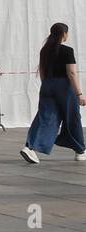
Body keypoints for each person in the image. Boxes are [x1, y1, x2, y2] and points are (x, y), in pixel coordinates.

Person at [21, 23, 86, 164]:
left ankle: (30, 147)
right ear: (64, 34)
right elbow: (71, 73)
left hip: (47, 85)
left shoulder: (44, 50)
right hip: (64, 87)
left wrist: (47, 85)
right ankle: (80, 150)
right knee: (72, 117)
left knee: (45, 117)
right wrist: (79, 94)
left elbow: (42, 70)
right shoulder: (67, 50)